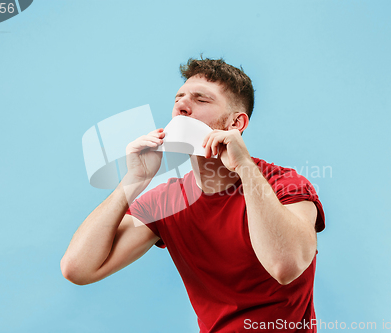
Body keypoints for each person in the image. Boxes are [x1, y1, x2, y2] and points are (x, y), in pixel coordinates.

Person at [61, 58, 325, 332]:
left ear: (236, 123)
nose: (181, 107)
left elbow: (285, 266)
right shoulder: (165, 202)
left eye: (201, 100)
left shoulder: (287, 184)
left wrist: (245, 167)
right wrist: (133, 180)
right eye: (179, 99)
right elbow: (77, 269)